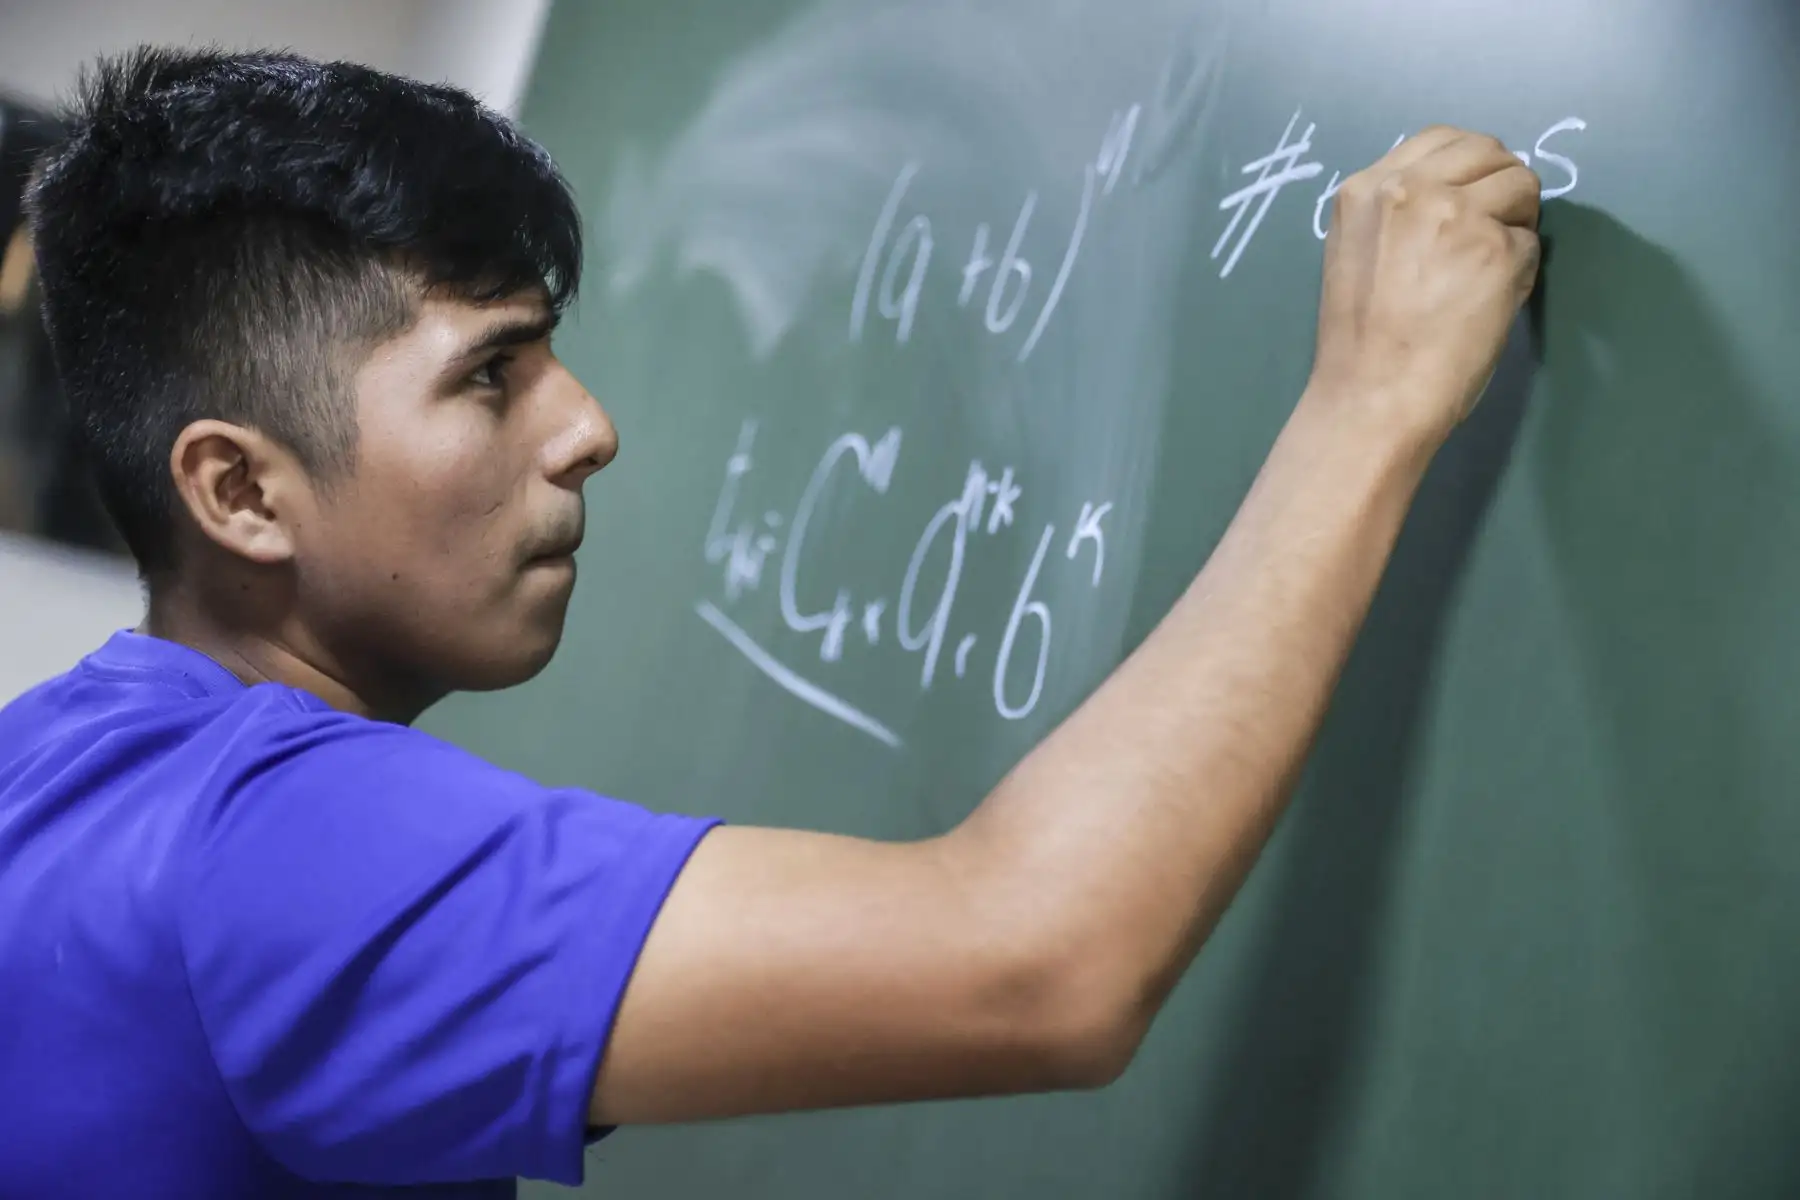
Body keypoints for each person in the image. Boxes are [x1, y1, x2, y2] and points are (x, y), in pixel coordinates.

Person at [0, 45, 1541, 1200]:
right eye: (491, 373)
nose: (587, 427)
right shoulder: (286, 847)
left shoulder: (62, 764)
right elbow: (1035, 959)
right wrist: (1374, 400)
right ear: (239, 493)